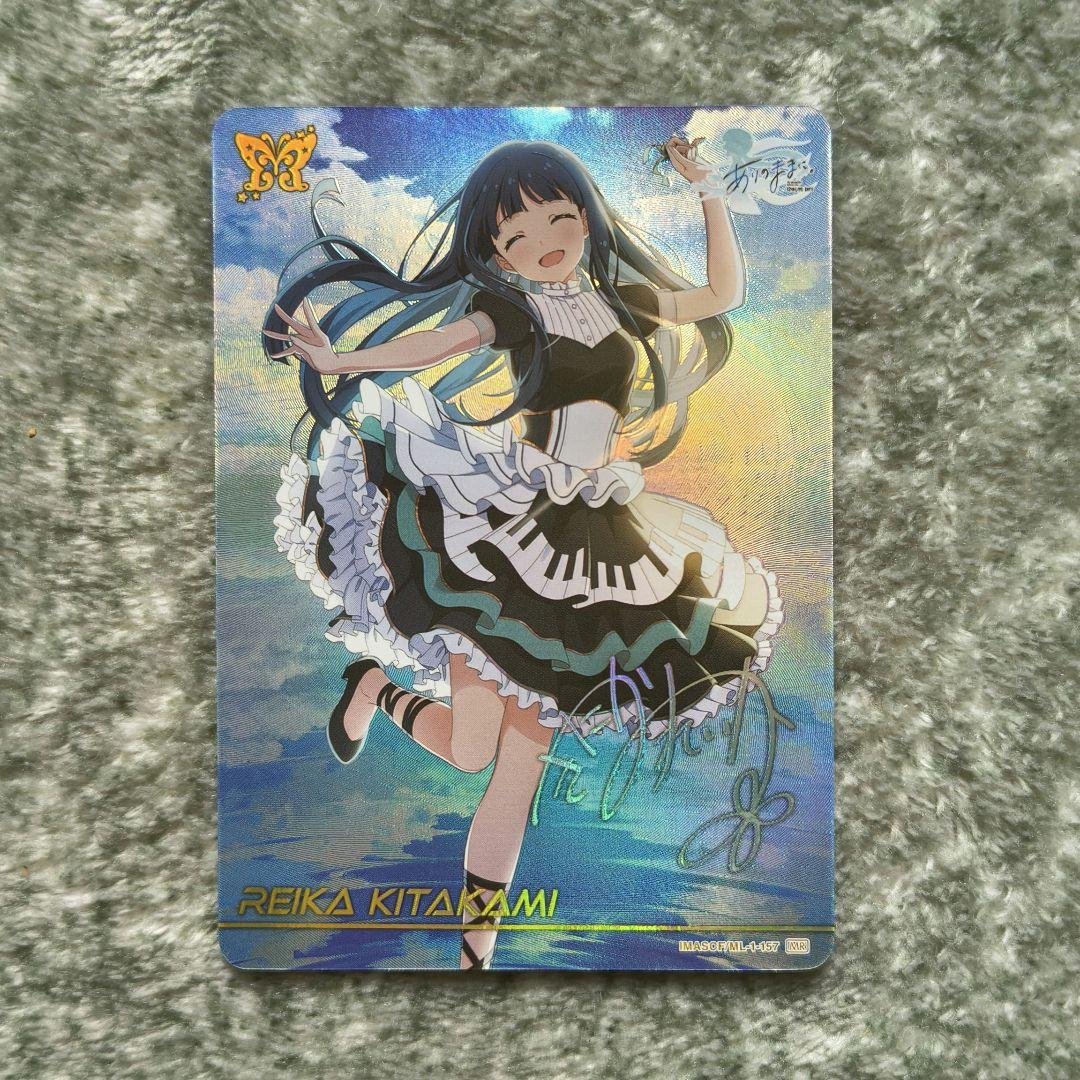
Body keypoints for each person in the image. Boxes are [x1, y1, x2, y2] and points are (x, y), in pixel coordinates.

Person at [266, 135, 782, 969]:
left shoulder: (627, 301)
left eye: (558, 217)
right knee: (473, 751)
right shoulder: (514, 311)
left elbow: (723, 293)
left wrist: (710, 189)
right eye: (515, 234)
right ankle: (373, 688)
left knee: (513, 772)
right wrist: (341, 359)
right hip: (509, 530)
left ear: (586, 216)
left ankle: (475, 959)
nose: (542, 240)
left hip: (602, 537)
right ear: (496, 252)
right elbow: (433, 345)